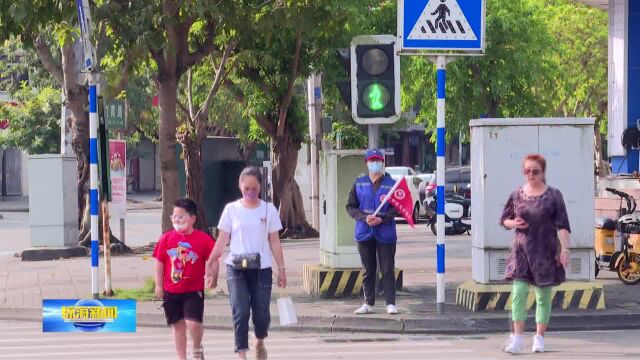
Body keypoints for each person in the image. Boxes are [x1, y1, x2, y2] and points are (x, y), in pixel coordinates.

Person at [206, 166, 286, 360]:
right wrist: (210, 261)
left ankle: (259, 339)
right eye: (246, 189)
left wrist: (281, 269)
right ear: (240, 186)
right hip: (236, 268)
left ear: (260, 188)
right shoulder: (231, 209)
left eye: (254, 189)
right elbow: (223, 238)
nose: (250, 193)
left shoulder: (268, 209)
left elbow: (274, 241)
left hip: (262, 268)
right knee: (240, 311)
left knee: (261, 313)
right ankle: (241, 354)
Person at [500, 154, 571, 354]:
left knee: (543, 297)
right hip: (521, 250)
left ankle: (539, 337)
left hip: (545, 252)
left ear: (543, 172)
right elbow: (505, 219)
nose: (530, 174)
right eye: (527, 170)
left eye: (535, 171)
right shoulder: (517, 194)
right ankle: (517, 338)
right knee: (519, 293)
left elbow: (563, 225)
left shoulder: (554, 195)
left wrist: (565, 249)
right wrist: (513, 223)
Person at [153, 198, 217, 360]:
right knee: (178, 326)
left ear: (192, 219)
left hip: (193, 291)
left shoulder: (203, 239)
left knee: (193, 323)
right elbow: (159, 263)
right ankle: (182, 357)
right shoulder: (166, 239)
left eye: (181, 217)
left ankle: (197, 348)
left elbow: (213, 259)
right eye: (174, 216)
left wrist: (213, 276)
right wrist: (159, 285)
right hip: (171, 291)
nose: (176, 220)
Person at [346, 149, 400, 315]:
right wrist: (364, 217)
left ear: (383, 163)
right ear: (366, 163)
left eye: (378, 160)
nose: (375, 163)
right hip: (364, 232)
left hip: (385, 233)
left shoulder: (391, 184)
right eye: (372, 160)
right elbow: (350, 206)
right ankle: (368, 303)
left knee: (387, 268)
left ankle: (390, 303)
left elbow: (396, 208)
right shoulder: (359, 183)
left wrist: (383, 219)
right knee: (368, 270)